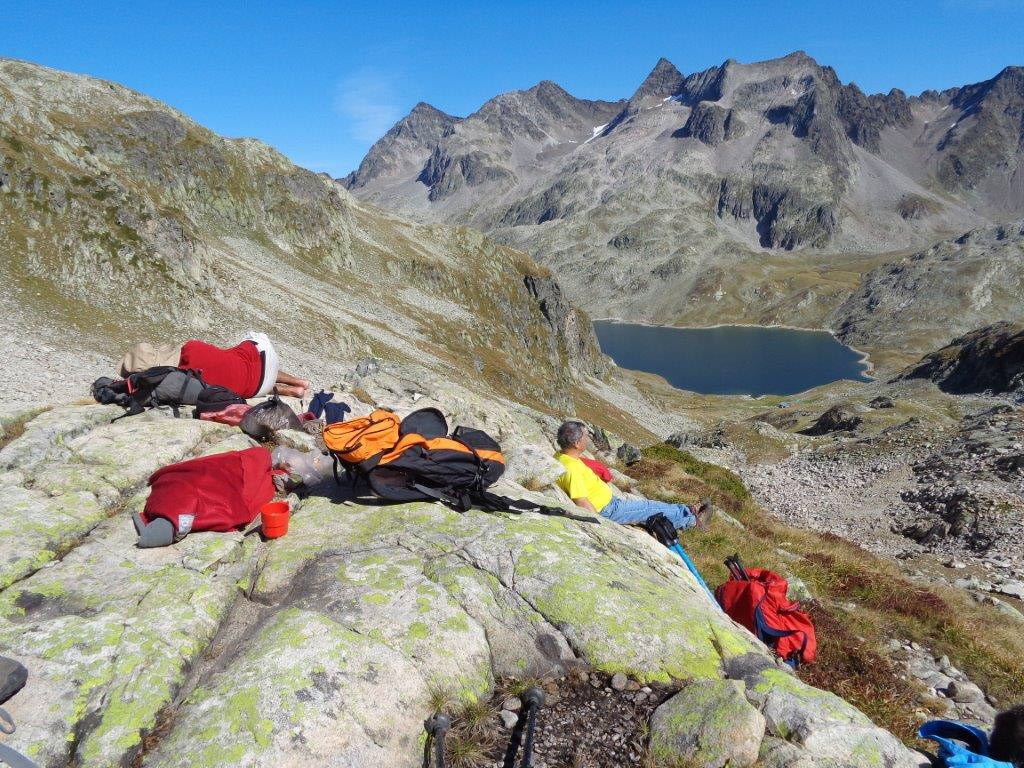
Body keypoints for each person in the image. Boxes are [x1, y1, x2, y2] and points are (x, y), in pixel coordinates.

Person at [554, 420, 711, 529]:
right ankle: (691, 519)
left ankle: (687, 511)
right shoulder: (571, 470)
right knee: (649, 509)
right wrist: (602, 527)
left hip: (610, 503)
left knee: (649, 506)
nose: (588, 438)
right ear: (577, 444)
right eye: (585, 436)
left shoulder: (562, 456)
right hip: (608, 510)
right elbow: (582, 502)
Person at [176, 332, 310, 399]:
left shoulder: (190, 385)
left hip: (257, 390)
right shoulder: (192, 347)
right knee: (251, 364)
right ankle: (298, 381)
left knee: (247, 382)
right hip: (265, 356)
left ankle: (292, 391)